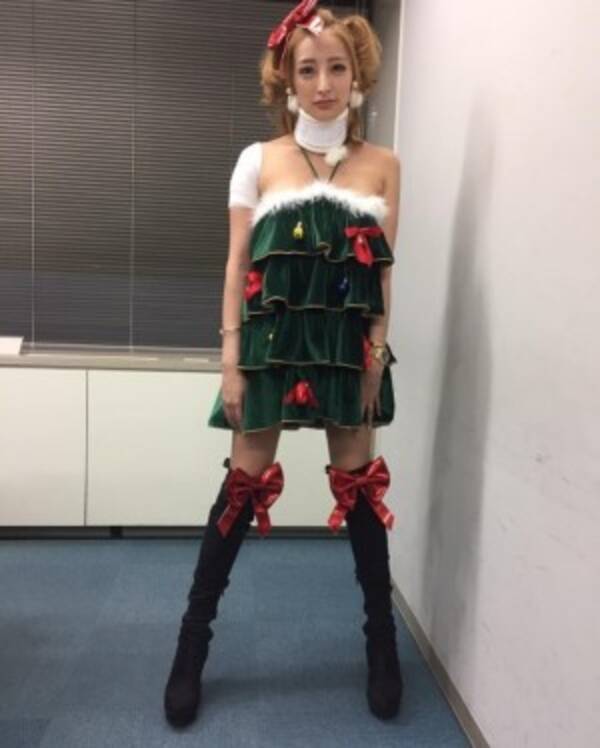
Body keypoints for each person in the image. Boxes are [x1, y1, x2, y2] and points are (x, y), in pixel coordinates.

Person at [164, 0, 403, 728]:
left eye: (337, 67)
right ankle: (190, 648)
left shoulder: (385, 167)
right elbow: (237, 264)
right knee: (242, 485)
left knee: (359, 487)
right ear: (286, 80)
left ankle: (383, 647)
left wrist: (375, 354)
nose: (323, 83)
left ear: (358, 74)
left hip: (344, 351)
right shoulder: (257, 160)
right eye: (307, 70)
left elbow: (382, 275)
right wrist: (230, 359)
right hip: (268, 350)